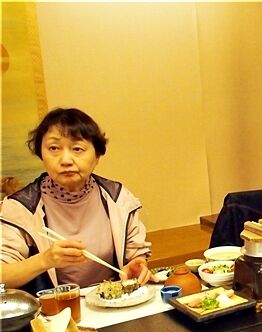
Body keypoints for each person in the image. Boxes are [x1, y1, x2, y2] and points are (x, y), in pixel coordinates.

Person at [1, 107, 155, 293]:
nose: (66, 160)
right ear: (41, 154)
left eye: (77, 149)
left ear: (97, 156)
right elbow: (2, 276)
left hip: (113, 301)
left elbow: (135, 254)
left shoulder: (118, 198)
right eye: (54, 148)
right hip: (52, 307)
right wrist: (44, 260)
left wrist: (138, 264)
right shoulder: (21, 207)